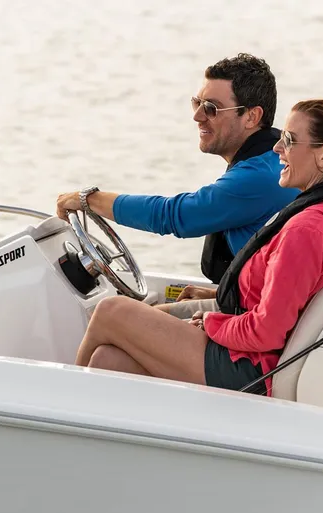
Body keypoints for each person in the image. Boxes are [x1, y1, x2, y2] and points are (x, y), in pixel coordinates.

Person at [73, 99, 323, 396]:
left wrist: (216, 321)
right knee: (109, 360)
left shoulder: (310, 227)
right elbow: (294, 294)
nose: (278, 148)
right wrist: (221, 299)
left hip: (250, 367)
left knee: (111, 312)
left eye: (290, 140)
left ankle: (62, 407)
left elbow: (269, 331)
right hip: (254, 352)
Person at [55, 53, 299, 317]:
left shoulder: (259, 177)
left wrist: (88, 199)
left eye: (211, 108)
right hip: (252, 301)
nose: (197, 116)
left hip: (259, 319)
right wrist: (222, 292)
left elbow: (174, 216)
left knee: (109, 319)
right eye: (197, 102)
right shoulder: (269, 161)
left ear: (251, 117)